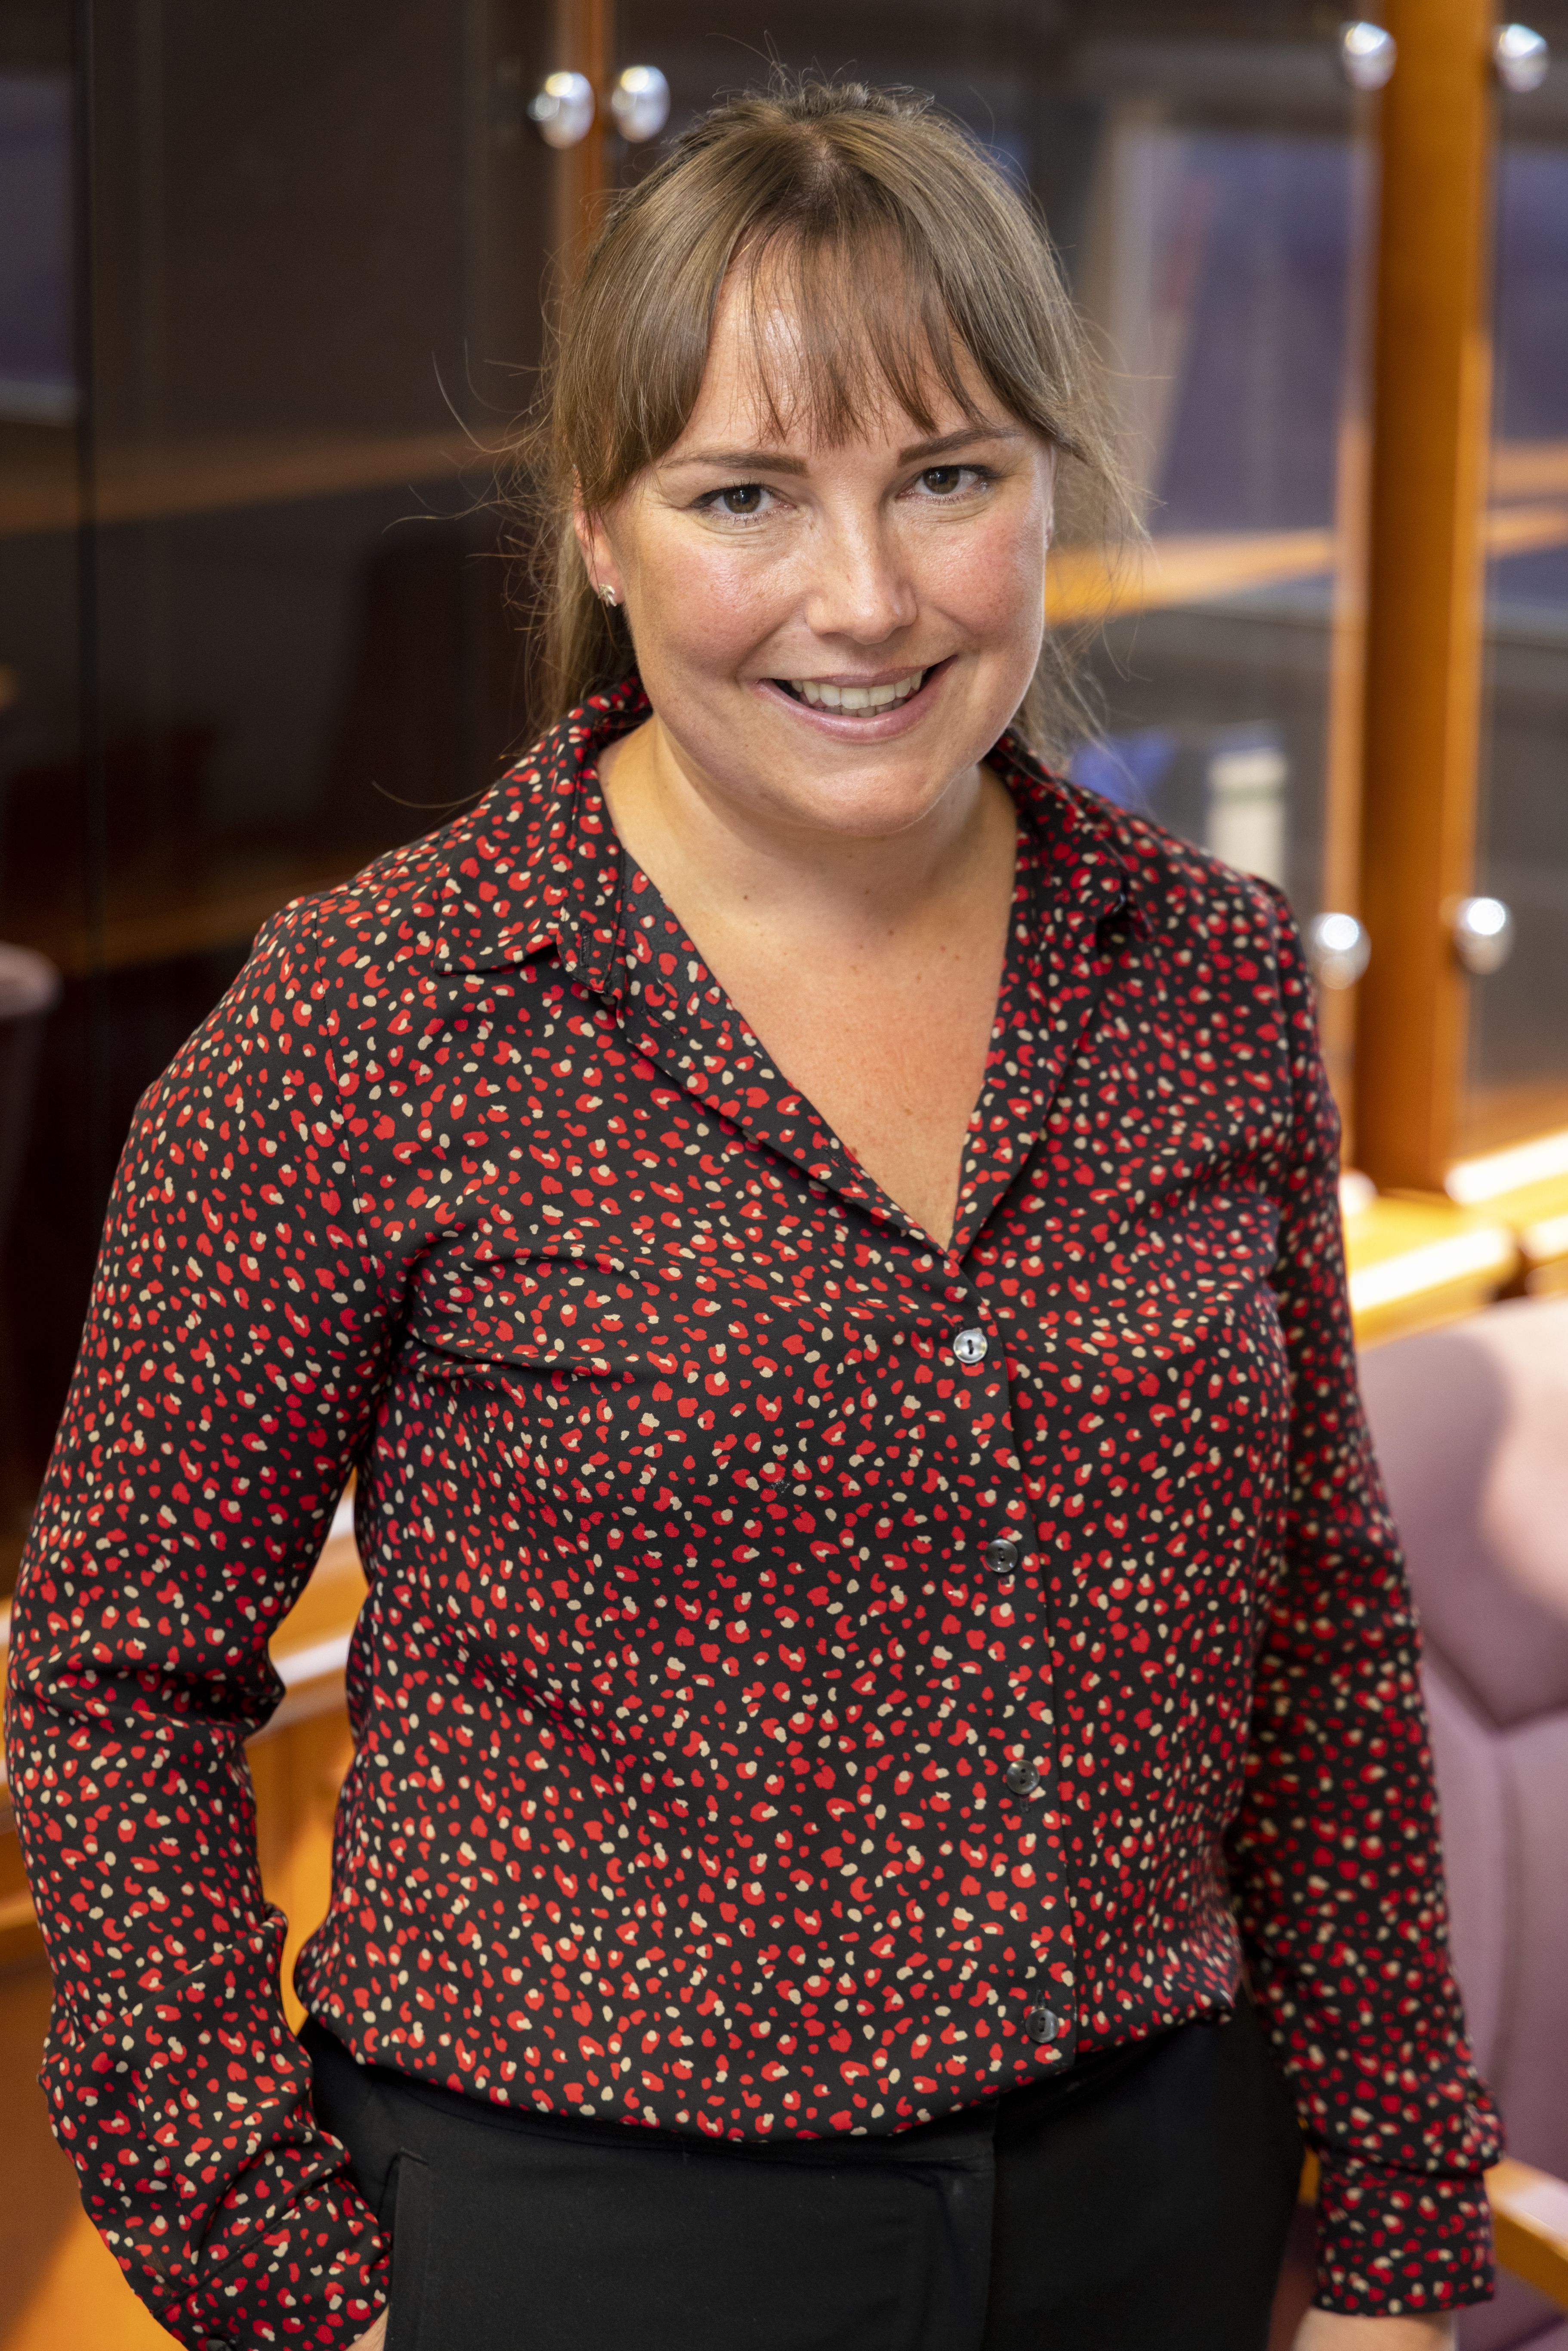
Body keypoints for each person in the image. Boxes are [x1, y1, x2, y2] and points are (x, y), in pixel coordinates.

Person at [5, 79, 1499, 2351]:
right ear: (600, 525)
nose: (868, 598)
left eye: (949, 478)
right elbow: (114, 1675)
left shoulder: (1207, 974)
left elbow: (1318, 1637)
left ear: (1044, 491)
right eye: (744, 496)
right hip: (588, 2241)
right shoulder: (374, 1018)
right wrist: (290, 2285)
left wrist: (1395, 2237)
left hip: (1170, 2203)